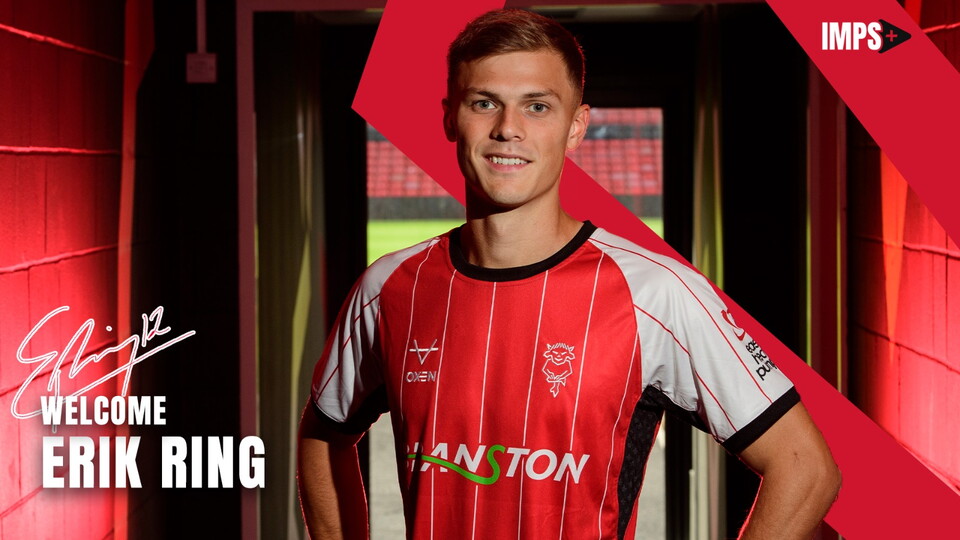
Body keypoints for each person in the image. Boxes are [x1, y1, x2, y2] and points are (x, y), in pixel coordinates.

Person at [298, 8, 840, 540]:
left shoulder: (655, 293)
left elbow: (805, 468)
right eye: (484, 103)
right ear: (449, 117)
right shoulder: (388, 288)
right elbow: (323, 434)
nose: (508, 129)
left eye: (537, 106)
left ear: (576, 125)